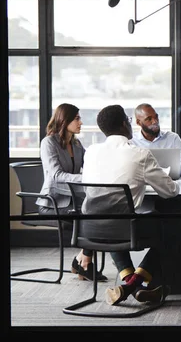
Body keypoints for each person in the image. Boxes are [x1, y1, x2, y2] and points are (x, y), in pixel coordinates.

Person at [81, 104, 180, 305]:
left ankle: (130, 283)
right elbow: (170, 191)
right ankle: (133, 284)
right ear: (126, 124)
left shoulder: (91, 152)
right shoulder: (139, 154)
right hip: (125, 228)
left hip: (89, 227)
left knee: (111, 215)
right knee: (177, 226)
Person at [37, 103, 107, 282]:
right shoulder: (48, 143)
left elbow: (90, 166)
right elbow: (56, 175)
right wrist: (87, 180)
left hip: (73, 201)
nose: (81, 122)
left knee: (97, 214)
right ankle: (83, 263)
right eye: (77, 118)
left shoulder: (76, 144)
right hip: (52, 203)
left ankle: (81, 261)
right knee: (89, 219)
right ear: (64, 120)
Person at [130, 103, 181, 177]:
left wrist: (155, 173)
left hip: (169, 184)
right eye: (149, 119)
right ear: (138, 122)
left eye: (156, 117)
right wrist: (162, 172)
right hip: (142, 186)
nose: (155, 121)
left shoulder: (173, 138)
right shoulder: (132, 141)